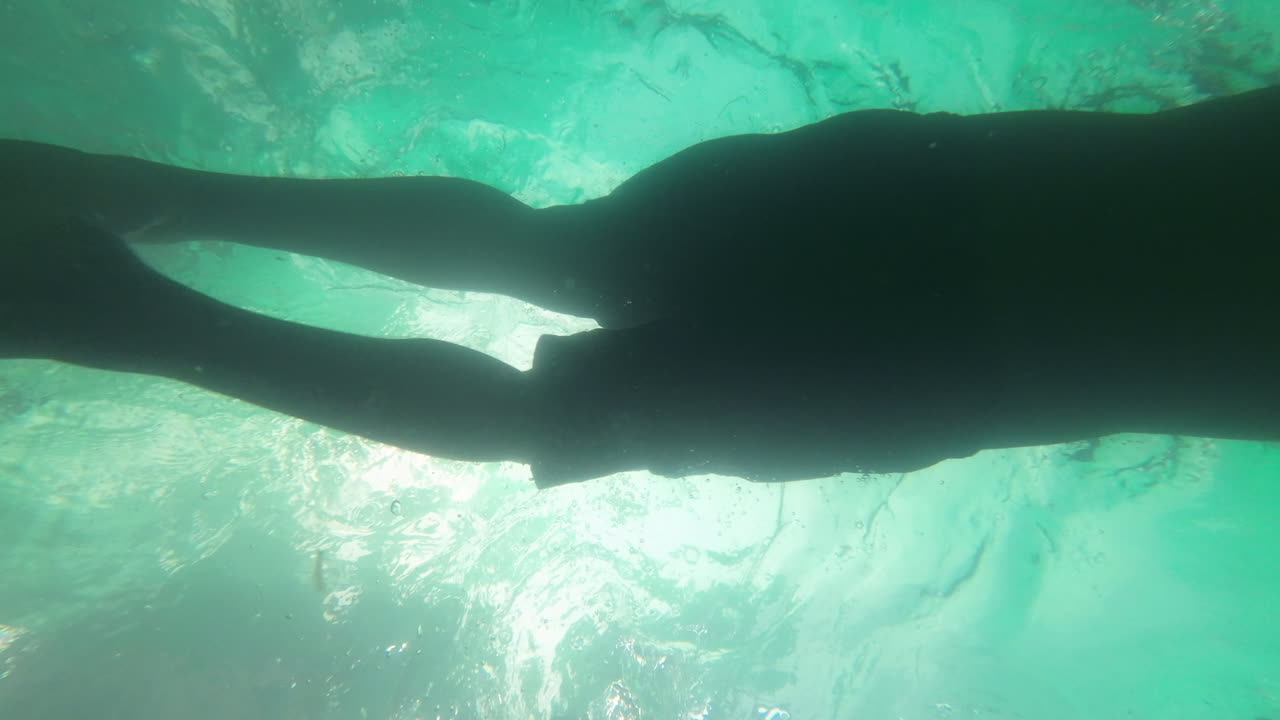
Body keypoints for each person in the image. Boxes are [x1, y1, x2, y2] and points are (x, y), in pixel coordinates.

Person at [2, 86, 1278, 488]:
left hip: (961, 199)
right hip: (985, 353)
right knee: (546, 408)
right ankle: (124, 313)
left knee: (562, 252)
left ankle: (152, 202)